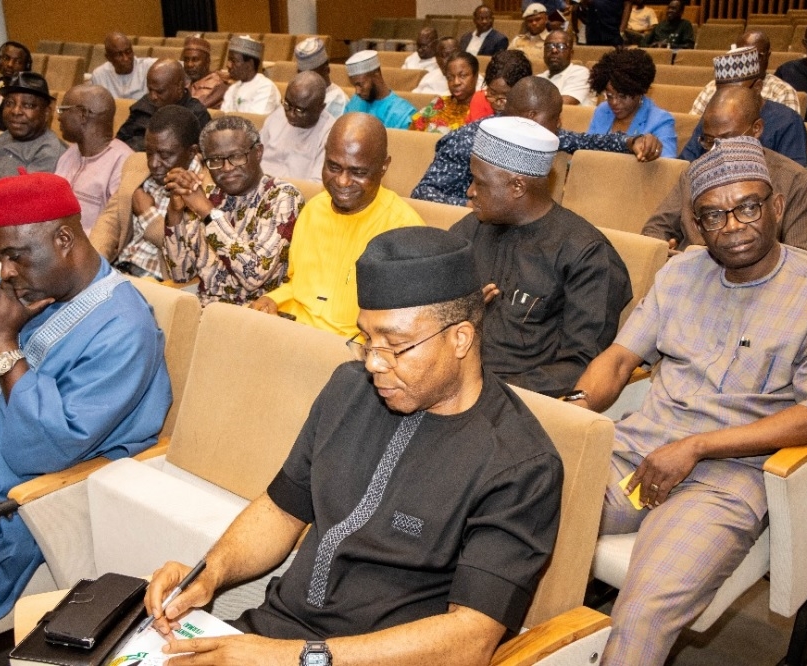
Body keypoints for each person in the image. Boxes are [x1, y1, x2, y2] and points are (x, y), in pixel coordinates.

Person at [146, 225, 562, 665]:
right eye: (367, 339)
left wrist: (296, 659)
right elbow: (281, 509)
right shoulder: (349, 389)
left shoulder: (519, 464)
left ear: (460, 338)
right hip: (271, 639)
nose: (375, 362)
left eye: (396, 345)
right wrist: (208, 574)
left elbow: (469, 640)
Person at [570, 135, 807, 666]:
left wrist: (698, 447)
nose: (732, 226)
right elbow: (618, 358)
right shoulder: (680, 273)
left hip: (729, 479)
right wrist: (575, 412)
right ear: (696, 226)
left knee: (642, 616)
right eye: (713, 216)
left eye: (747, 207)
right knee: (512, 518)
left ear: (775, 207)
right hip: (638, 455)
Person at [0, 171, 171, 665]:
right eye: (0, 255)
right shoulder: (27, 290)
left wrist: (4, 346)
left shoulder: (124, 329)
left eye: (15, 255)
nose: (3, 271)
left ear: (64, 238)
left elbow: (43, 452)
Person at [450, 116, 631, 397]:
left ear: (517, 187)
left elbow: (580, 364)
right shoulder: (470, 230)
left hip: (517, 402)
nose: (470, 191)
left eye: (480, 183)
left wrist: (488, 392)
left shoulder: (586, 254)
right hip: (448, 381)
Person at [249, 113, 424, 337]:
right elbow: (299, 286)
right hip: (293, 332)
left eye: (358, 172)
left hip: (354, 353)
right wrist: (272, 299)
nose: (342, 181)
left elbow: (404, 325)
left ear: (383, 167)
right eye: (333, 167)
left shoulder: (404, 230)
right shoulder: (314, 209)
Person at [413, 76, 664, 207]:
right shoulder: (467, 140)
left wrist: (631, 141)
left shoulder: (534, 133)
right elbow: (422, 193)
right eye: (555, 118)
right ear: (531, 117)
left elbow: (584, 141)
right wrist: (473, 205)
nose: (559, 125)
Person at [644, 86, 807, 255]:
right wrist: (664, 249)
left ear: (757, 129)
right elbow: (656, 228)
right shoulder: (695, 172)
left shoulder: (792, 178)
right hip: (693, 271)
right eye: (709, 141)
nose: (717, 150)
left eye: (727, 139)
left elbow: (804, 258)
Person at [163, 115, 302, 306]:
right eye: (216, 160)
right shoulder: (209, 195)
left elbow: (253, 276)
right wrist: (175, 212)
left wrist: (208, 213)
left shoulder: (282, 197)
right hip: (203, 310)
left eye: (236, 157)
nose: (227, 168)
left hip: (251, 317)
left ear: (258, 152)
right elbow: (180, 273)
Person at [91, 106, 202, 281]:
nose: (154, 163)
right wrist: (92, 269)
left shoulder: (208, 190)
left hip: (160, 284)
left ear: (192, 152)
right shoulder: (136, 164)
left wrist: (147, 215)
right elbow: (109, 223)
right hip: (118, 272)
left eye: (165, 155)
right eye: (149, 152)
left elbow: (187, 257)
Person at [678, 46, 807, 166]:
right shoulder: (715, 116)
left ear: (757, 87)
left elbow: (791, 177)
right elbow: (686, 162)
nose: (728, 99)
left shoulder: (787, 121)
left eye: (737, 92)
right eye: (721, 93)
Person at [0, 73, 66, 211]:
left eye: (28, 105)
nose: (16, 111)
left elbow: (22, 211)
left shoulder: (49, 152)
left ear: (47, 113)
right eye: (9, 103)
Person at [54, 84, 133, 233]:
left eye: (63, 110)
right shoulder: (69, 154)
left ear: (83, 115)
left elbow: (117, 230)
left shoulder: (123, 162)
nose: (58, 117)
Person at [587, 48, 677, 157]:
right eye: (609, 96)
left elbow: (668, 165)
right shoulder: (602, 110)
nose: (614, 102)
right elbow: (587, 149)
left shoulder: (660, 120)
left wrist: (652, 153)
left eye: (622, 96)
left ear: (639, 92)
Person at [690, 32, 801, 116]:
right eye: (742, 56)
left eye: (757, 56)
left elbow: (788, 134)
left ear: (768, 55)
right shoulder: (713, 87)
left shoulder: (783, 91)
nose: (749, 62)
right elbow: (694, 125)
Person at [116, 59, 211, 152]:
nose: (153, 97)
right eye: (150, 90)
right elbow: (119, 140)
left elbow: (200, 154)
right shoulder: (144, 104)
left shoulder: (197, 114)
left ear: (179, 87)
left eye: (160, 92)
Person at [260, 71, 336, 183]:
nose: (290, 113)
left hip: (294, 195)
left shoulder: (330, 133)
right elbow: (254, 155)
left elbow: (316, 185)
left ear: (320, 108)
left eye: (299, 110)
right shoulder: (277, 115)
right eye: (287, 105)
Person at [344, 51, 416, 130]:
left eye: (360, 84)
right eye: (354, 86)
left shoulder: (403, 113)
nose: (357, 91)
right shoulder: (355, 102)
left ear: (376, 74)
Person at [409, 52, 479, 134]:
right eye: (450, 77)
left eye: (462, 76)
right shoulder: (439, 103)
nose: (456, 82)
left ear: (476, 76)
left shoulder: (484, 109)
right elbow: (412, 134)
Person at [467, 50, 534, 124]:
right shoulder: (480, 100)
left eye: (506, 96)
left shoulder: (532, 114)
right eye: (492, 93)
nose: (498, 103)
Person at [220, 35, 281, 115]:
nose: (228, 65)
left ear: (250, 64)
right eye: (229, 60)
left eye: (234, 61)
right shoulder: (233, 88)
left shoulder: (265, 87)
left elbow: (257, 122)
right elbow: (222, 117)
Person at [90, 32, 157, 101]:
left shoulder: (150, 67)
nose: (126, 58)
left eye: (128, 52)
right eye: (119, 55)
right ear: (108, 57)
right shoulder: (99, 75)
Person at [294, 37, 348, 120]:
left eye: (312, 75)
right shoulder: (297, 96)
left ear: (327, 70)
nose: (307, 80)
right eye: (303, 75)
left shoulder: (339, 101)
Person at [537, 30, 593, 106]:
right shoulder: (538, 78)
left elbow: (563, 104)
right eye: (549, 46)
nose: (554, 50)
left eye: (561, 46)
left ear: (571, 53)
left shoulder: (580, 73)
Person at [182, 35, 227, 109]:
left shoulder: (215, 85)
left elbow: (192, 110)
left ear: (207, 62)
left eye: (195, 60)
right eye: (186, 60)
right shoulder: (185, 81)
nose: (189, 64)